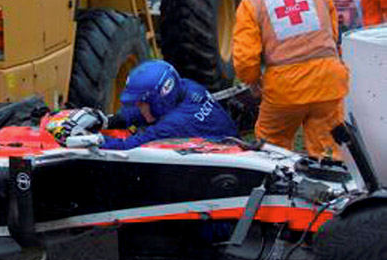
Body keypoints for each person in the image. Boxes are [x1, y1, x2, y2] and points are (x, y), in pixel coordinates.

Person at [233, 0, 350, 159]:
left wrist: (252, 80)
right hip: (328, 82)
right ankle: (333, 175)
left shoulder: (252, 4)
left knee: (272, 149)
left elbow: (245, 59)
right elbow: (333, 33)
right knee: (328, 148)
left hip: (284, 89)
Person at [51, 60, 237, 150]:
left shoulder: (173, 124)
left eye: (143, 104)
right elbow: (147, 112)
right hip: (222, 152)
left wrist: (91, 140)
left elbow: (127, 147)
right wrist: (107, 121)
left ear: (161, 98)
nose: (139, 109)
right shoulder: (186, 87)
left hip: (217, 183)